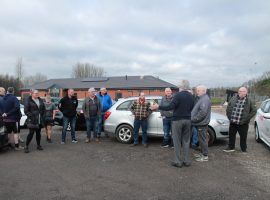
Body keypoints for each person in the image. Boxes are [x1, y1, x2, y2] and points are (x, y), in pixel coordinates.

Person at [151, 80, 194, 167]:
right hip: (188, 120)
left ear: (181, 87)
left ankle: (178, 161)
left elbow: (170, 107)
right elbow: (192, 107)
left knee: (177, 141)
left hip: (177, 120)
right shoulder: (191, 96)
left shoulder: (178, 95)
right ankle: (186, 161)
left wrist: (158, 106)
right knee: (186, 141)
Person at [224, 87, 256, 153]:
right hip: (233, 122)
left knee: (243, 137)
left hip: (243, 123)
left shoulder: (250, 100)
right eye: (240, 91)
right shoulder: (233, 98)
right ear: (238, 92)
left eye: (243, 91)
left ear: (246, 92)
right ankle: (231, 147)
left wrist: (246, 119)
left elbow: (254, 111)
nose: (241, 93)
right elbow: (228, 107)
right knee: (231, 135)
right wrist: (229, 116)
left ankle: (243, 148)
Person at [191, 85, 211, 162]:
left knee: (203, 140)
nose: (197, 92)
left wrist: (194, 119)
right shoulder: (202, 98)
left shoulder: (205, 99)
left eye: (198, 90)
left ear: (203, 91)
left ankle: (205, 156)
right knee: (201, 139)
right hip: (200, 123)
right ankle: (203, 153)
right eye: (197, 90)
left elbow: (202, 113)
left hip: (201, 123)